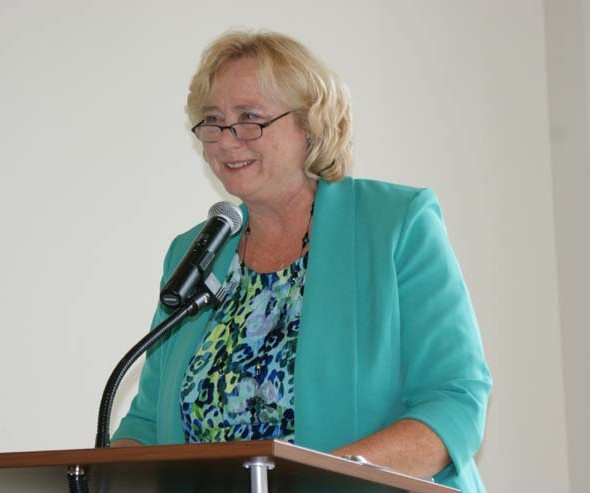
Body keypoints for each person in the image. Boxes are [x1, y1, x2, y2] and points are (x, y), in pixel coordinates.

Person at [111, 30, 492, 492]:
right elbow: (149, 422)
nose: (227, 140)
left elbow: (454, 402)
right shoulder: (197, 252)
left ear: (310, 125)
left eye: (250, 118)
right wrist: (102, 476)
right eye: (213, 120)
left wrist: (322, 479)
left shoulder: (394, 224)